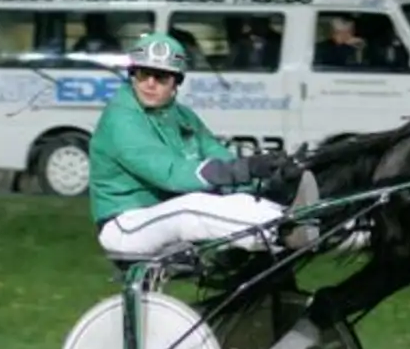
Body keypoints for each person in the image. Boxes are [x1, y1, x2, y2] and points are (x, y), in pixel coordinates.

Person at [89, 32, 319, 259]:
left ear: (176, 83)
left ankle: (293, 218)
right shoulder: (121, 120)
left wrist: (266, 176)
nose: (150, 84)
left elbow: (218, 157)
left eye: (161, 77)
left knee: (237, 200)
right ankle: (283, 231)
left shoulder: (182, 116)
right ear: (132, 75)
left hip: (160, 213)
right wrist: (243, 169)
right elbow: (171, 174)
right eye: (143, 74)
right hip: (125, 223)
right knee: (192, 207)